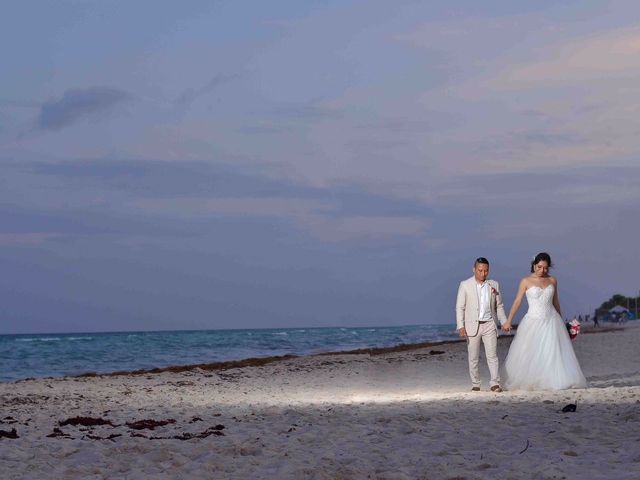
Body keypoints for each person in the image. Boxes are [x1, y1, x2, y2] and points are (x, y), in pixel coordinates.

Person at [502, 252, 587, 390]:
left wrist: (562, 320)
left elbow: (555, 301)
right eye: (540, 267)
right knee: (531, 352)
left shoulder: (553, 280)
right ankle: (534, 380)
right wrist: (508, 320)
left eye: (546, 268)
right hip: (533, 321)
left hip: (552, 320)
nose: (543, 270)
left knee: (552, 352)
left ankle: (553, 380)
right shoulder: (526, 281)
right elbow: (517, 301)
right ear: (534, 265)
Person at [456, 257, 508, 392]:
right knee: (473, 357)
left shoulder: (494, 285)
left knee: (492, 356)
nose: (483, 274)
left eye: (486, 271)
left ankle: (495, 383)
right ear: (474, 269)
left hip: (490, 323)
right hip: (472, 326)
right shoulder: (465, 285)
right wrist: (460, 326)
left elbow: (499, 306)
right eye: (480, 270)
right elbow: (459, 307)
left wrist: (504, 322)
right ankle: (475, 384)